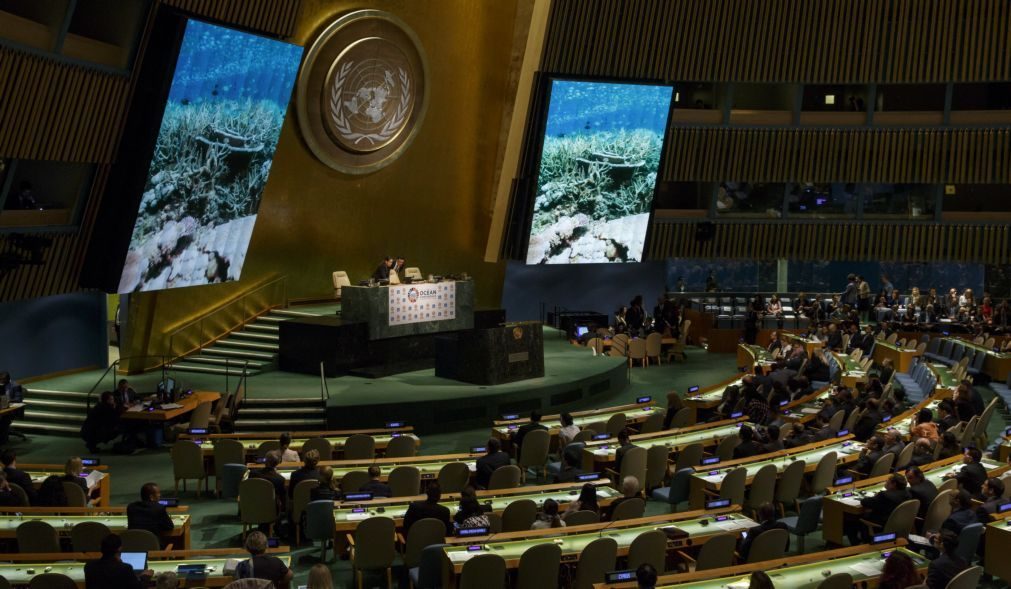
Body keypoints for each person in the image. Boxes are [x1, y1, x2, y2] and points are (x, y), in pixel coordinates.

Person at [847, 474, 910, 545]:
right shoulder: (906, 493)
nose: (885, 482)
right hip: (897, 524)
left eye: (887, 481)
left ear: (894, 484)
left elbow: (864, 502)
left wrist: (876, 496)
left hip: (880, 524)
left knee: (850, 520)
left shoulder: (884, 495)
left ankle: (856, 546)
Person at [84, 533, 153, 589]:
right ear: (119, 548)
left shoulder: (89, 566)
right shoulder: (125, 568)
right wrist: (146, 576)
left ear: (100, 548)